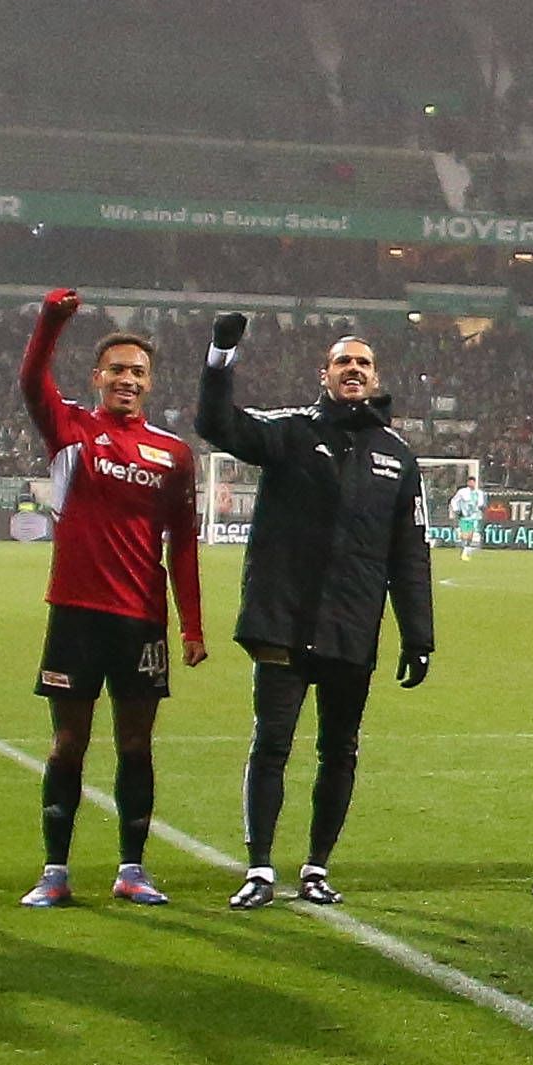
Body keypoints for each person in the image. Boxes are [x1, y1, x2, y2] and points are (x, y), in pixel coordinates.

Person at [200, 313, 433, 907]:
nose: (353, 369)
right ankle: (259, 868)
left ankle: (316, 868)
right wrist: (221, 356)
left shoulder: (397, 457)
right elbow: (218, 424)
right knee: (272, 744)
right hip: (284, 621)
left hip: (351, 628)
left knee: (340, 750)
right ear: (323, 374)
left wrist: (418, 636)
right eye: (342, 361)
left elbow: (410, 552)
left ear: (376, 377)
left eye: (363, 363)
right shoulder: (291, 433)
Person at [16, 289, 205, 906]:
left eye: (138, 372)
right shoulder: (71, 429)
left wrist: (191, 625)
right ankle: (54, 871)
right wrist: (51, 319)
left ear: (150, 383)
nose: (128, 379)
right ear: (97, 377)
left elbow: (183, 543)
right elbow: (31, 380)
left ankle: (132, 869)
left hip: (141, 620)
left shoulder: (174, 455)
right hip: (75, 613)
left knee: (135, 745)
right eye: (117, 369)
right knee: (68, 742)